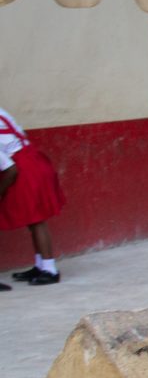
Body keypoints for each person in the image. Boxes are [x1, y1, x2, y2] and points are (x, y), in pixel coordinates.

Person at [0, 105, 67, 289]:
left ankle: (50, 270)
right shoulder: (2, 112)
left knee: (37, 221)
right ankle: (40, 266)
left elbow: (10, 170)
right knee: (34, 219)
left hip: (22, 167)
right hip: (33, 158)